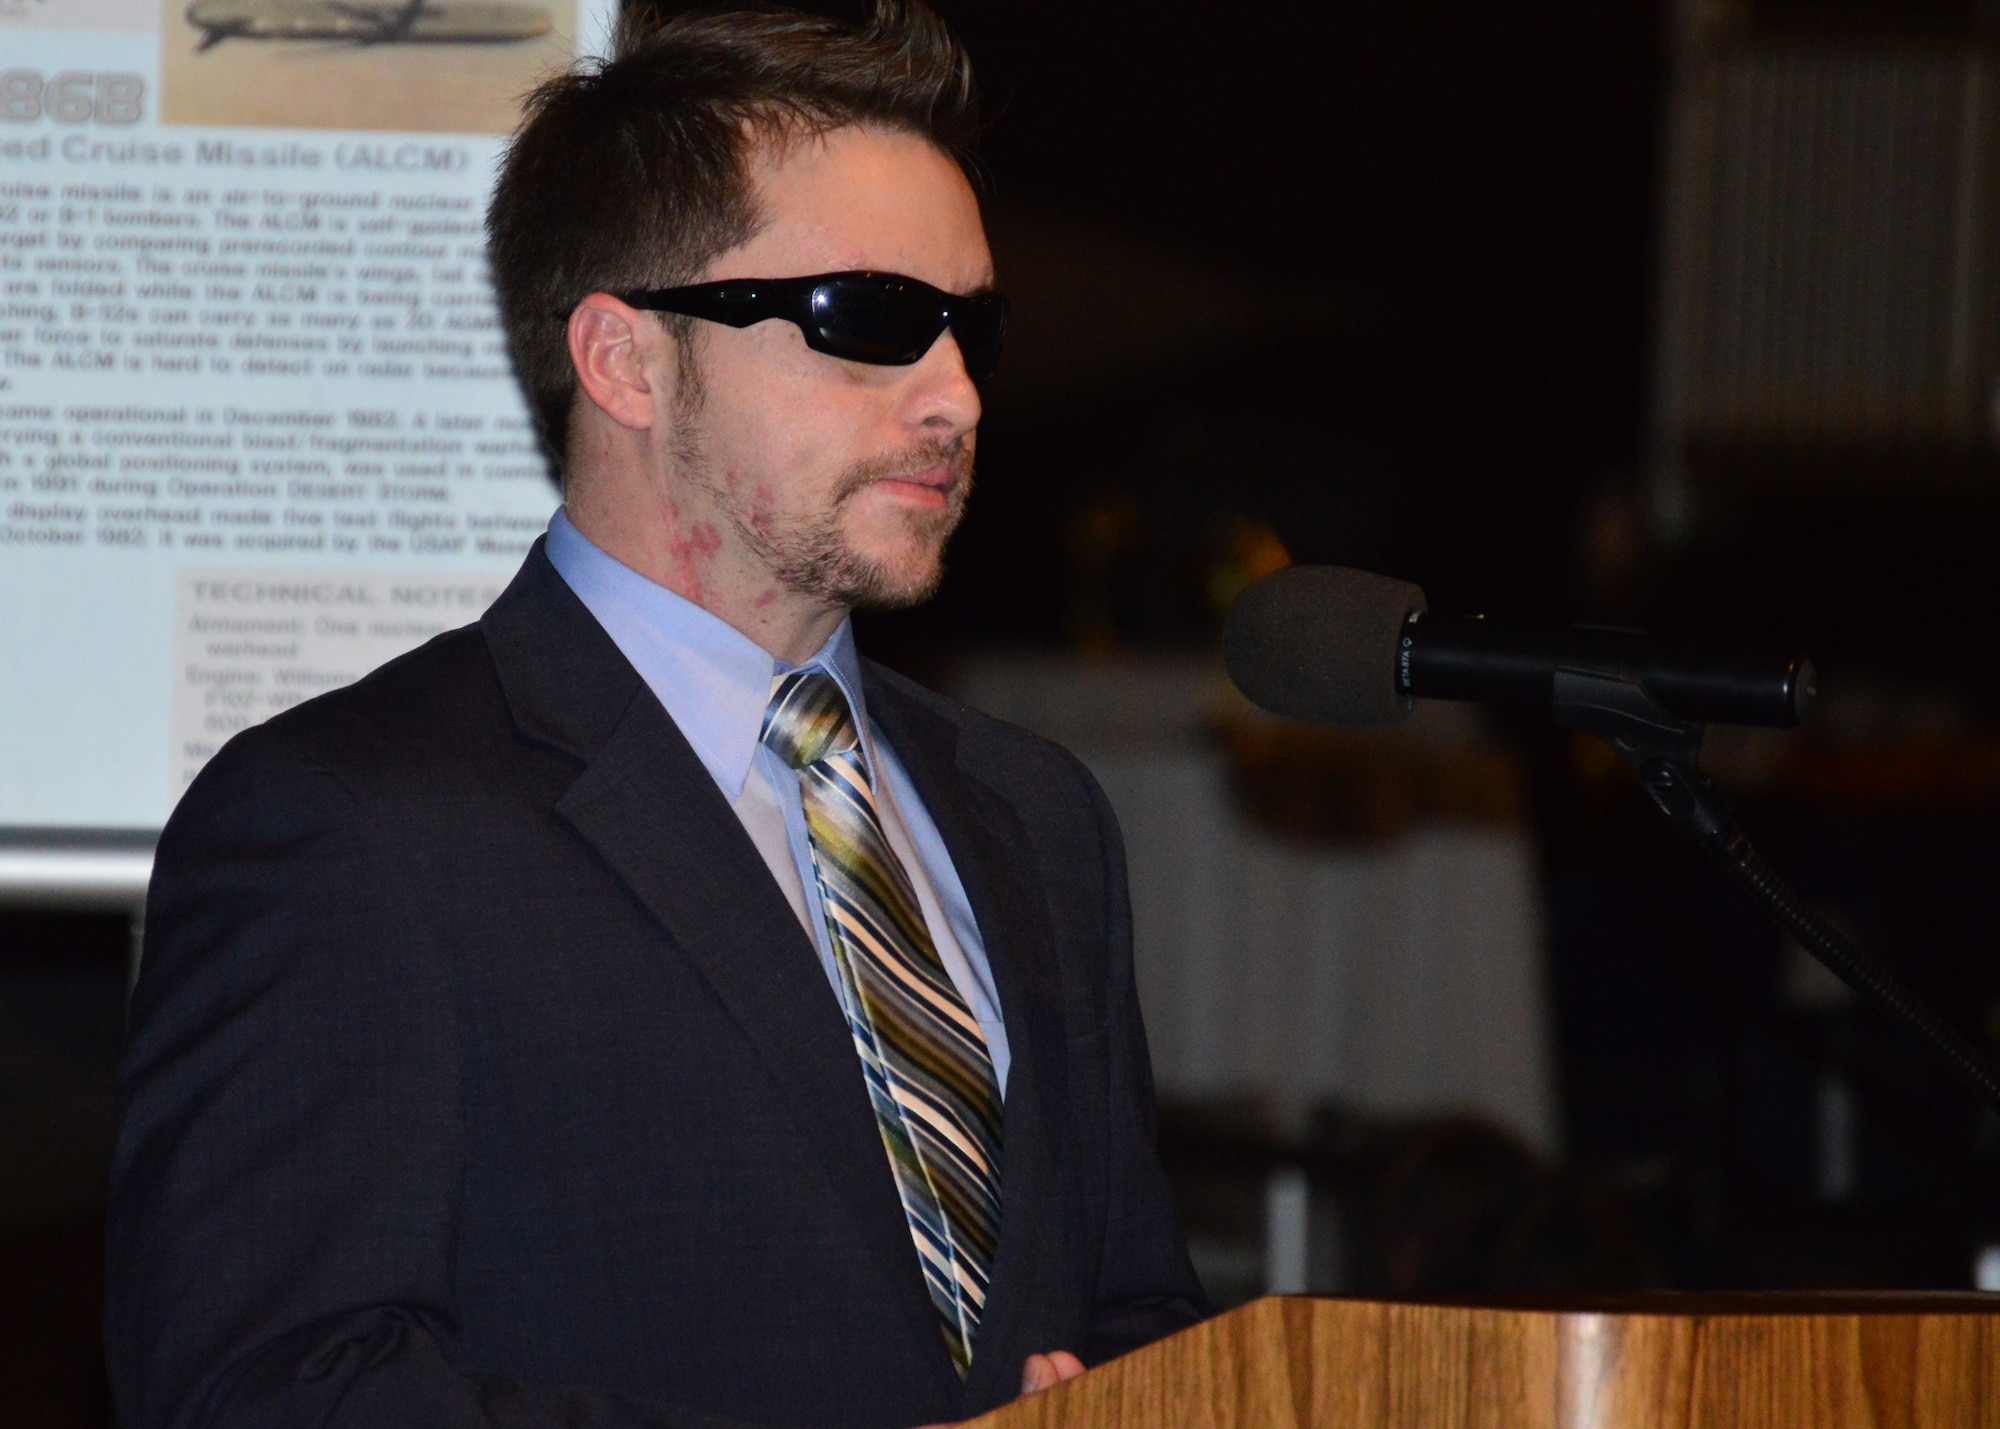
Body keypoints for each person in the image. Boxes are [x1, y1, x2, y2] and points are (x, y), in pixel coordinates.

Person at [103, 4, 1208, 1427]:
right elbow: (261, 1392)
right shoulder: (350, 820)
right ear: (624, 359)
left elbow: (1134, 1311)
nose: (954, 396)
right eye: (868, 319)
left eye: (972, 330)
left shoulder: (1036, 814)